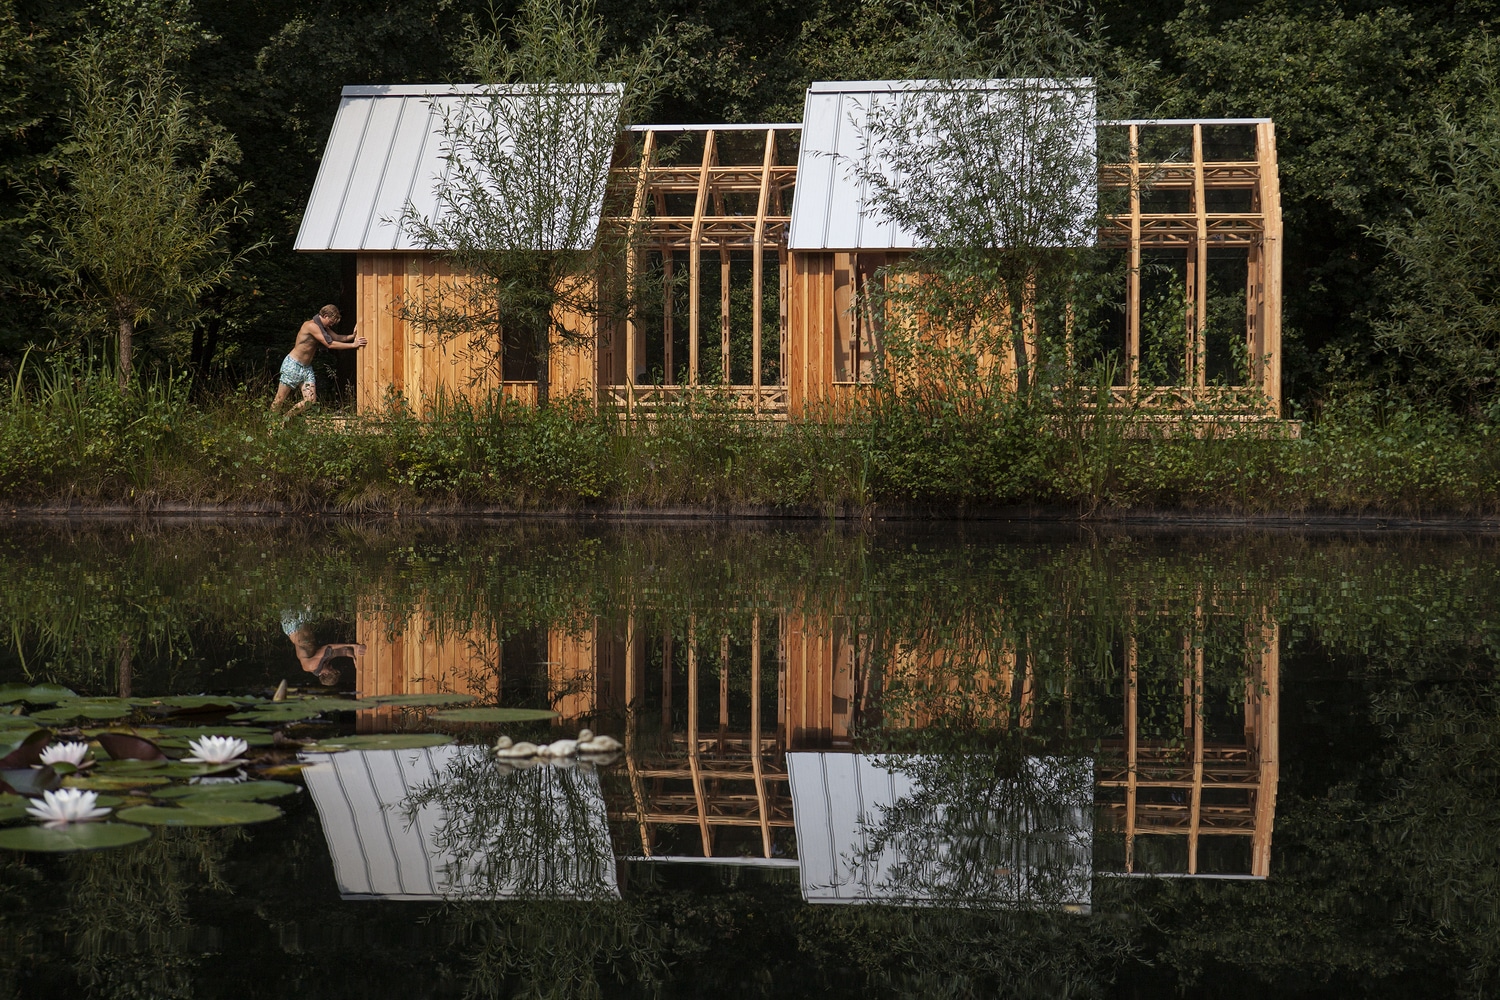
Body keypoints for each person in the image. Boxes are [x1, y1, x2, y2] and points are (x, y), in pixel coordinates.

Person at [270, 304, 367, 417]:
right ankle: (271, 427)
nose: (332, 324)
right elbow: (329, 344)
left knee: (310, 400)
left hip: (306, 368)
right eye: (331, 322)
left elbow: (337, 337)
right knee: (280, 398)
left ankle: (285, 419)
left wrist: (353, 335)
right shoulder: (311, 326)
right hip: (293, 365)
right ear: (325, 316)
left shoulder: (323, 327)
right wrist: (353, 345)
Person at [282, 606, 366, 686]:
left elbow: (327, 647)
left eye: (332, 670)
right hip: (303, 623)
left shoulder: (311, 666)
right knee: (308, 597)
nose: (332, 667)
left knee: (289, 599)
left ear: (325, 674)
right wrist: (353, 657)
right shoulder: (324, 663)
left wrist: (353, 645)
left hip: (293, 626)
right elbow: (343, 651)